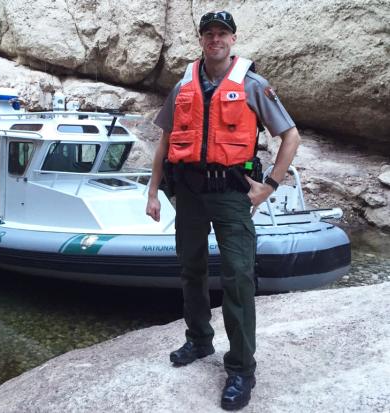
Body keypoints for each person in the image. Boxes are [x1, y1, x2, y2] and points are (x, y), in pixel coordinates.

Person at [146, 10, 300, 411]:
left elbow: (290, 135)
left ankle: (241, 368)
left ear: (232, 40)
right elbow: (165, 140)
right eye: (209, 33)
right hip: (190, 194)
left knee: (237, 276)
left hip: (233, 195)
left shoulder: (253, 85)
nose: (215, 39)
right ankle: (198, 340)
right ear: (201, 40)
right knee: (191, 269)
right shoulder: (183, 85)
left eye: (222, 34)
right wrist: (151, 191)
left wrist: (269, 186)